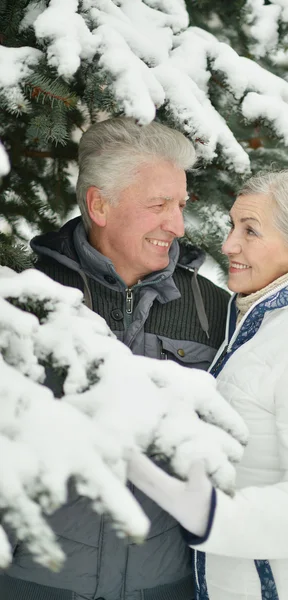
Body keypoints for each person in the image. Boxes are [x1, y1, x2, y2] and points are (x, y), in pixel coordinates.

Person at [126, 169, 288, 600]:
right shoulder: (263, 321)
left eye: (250, 231)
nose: (229, 244)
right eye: (233, 225)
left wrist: (211, 517)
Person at [0, 118, 230, 600]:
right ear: (99, 205)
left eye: (181, 206)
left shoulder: (211, 309)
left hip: (165, 587)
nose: (178, 225)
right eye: (159, 205)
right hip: (35, 583)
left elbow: (263, 411)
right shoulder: (24, 296)